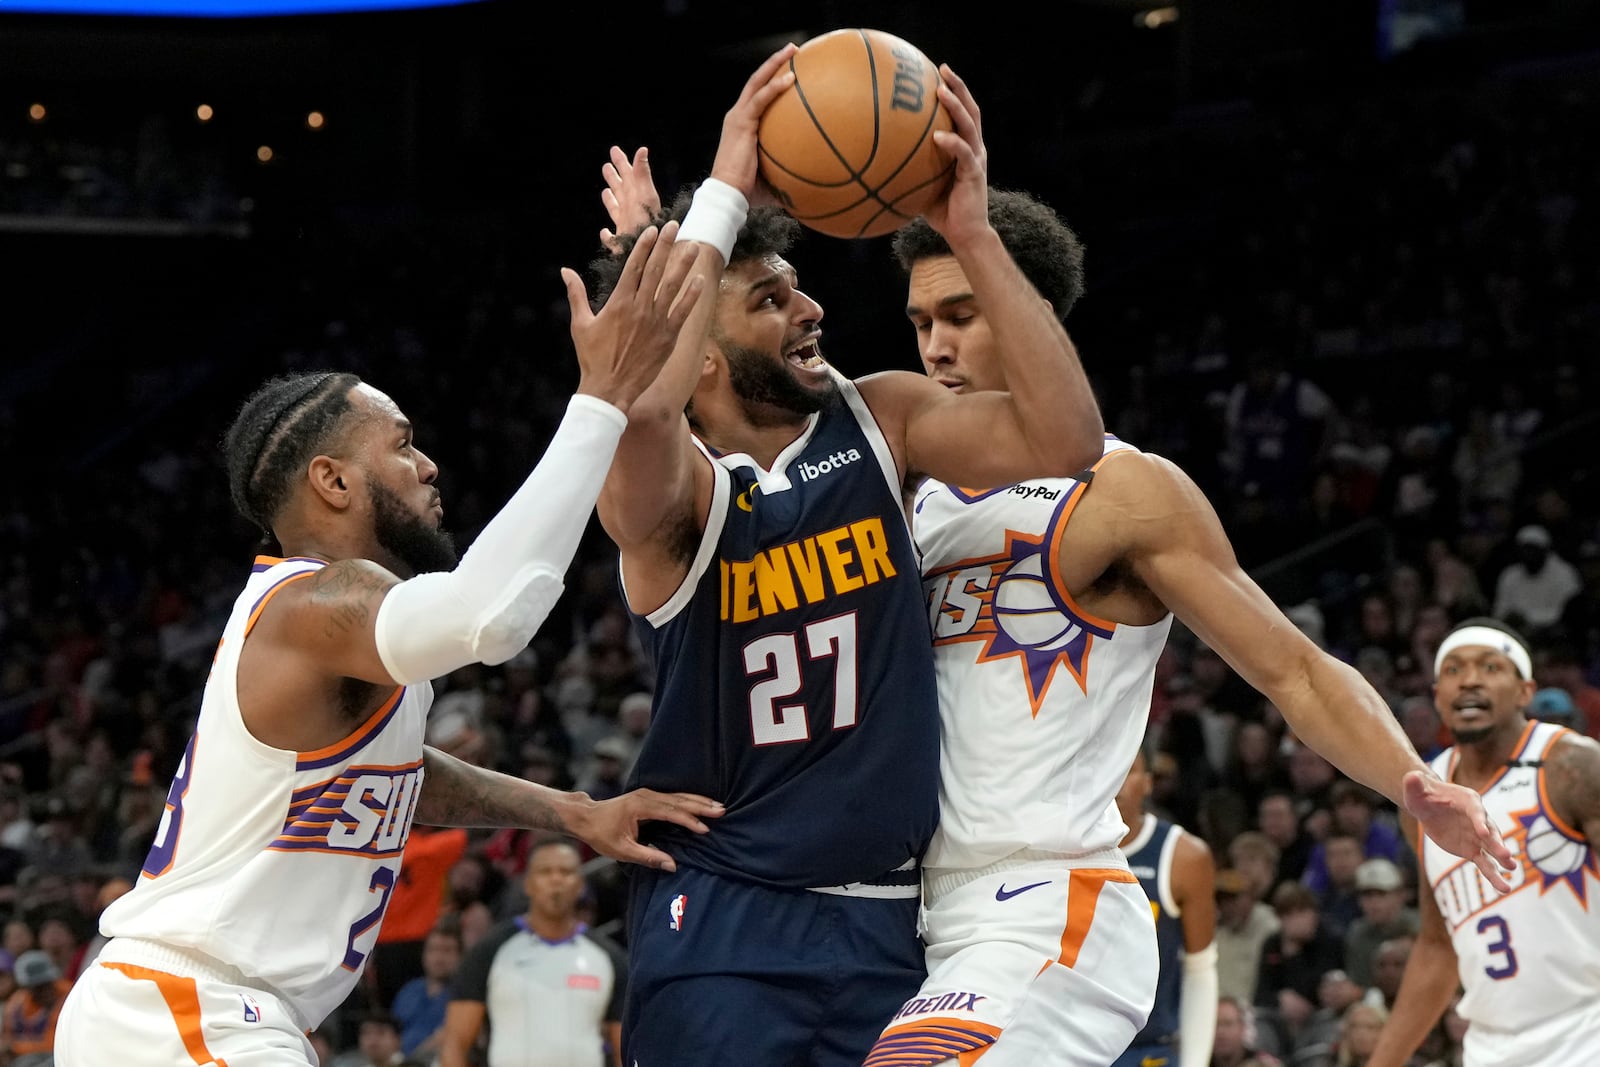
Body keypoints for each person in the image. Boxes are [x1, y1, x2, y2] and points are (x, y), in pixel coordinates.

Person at [861, 141, 1513, 1066]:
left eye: (961, 312)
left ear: (1026, 308)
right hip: (917, 912)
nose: (935, 343)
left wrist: (1414, 777)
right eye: (922, 318)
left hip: (1051, 898)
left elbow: (1293, 667)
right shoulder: (904, 488)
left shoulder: (1125, 491)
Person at [52, 222, 726, 1066]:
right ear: (331, 480)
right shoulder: (317, 601)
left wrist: (568, 812)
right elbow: (494, 618)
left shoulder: (342, 631)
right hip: (187, 1009)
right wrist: (598, 401)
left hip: (199, 1010)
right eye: (403, 443)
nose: (430, 465)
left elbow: (401, 772)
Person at [587, 46, 1107, 1067]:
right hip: (725, 921)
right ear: (700, 351)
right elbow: (640, 400)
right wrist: (722, 194)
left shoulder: (884, 419)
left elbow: (1068, 439)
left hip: (887, 927)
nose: (810, 308)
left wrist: (970, 229)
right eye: (769, 299)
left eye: (800, 287)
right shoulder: (675, 497)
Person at [1369, 616, 1600, 1066]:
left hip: (1588, 1030)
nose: (1469, 680)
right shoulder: (1425, 797)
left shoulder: (1571, 767)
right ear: (1437, 695)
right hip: (1490, 1049)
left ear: (1525, 691)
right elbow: (1438, 946)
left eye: (1490, 667)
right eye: (1453, 670)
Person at [439, 838, 625, 1067]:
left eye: (566, 872)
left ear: (580, 885)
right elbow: (455, 1045)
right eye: (545, 872)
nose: (556, 879)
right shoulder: (489, 951)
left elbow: (623, 1051)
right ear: (527, 884)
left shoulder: (609, 957)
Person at [1113, 745, 1219, 1067]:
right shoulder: (1054, 849)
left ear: (1147, 782)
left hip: (1145, 1050)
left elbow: (1200, 968)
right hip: (1064, 1045)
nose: (1114, 782)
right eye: (1106, 767)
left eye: (1127, 771)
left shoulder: (1183, 856)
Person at [389, 919, 461, 1061]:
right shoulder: (408, 991)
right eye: (433, 950)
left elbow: (451, 1035)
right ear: (424, 955)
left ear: (460, 955)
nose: (439, 958)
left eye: (447, 950)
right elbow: (391, 1034)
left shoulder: (464, 993)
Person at [1341, 859, 1418, 988]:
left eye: (1381, 894)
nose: (1373, 903)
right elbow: (1358, 980)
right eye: (1367, 895)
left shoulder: (1421, 928)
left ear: (1400, 895)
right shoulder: (1357, 933)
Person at [2, 949, 71, 1066]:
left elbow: (53, 1044)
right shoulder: (18, 1002)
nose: (45, 991)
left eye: (47, 984)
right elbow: (6, 1038)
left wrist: (15, 1047)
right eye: (37, 987)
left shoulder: (70, 996)